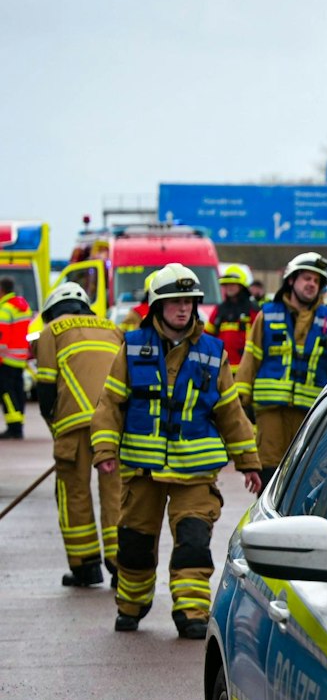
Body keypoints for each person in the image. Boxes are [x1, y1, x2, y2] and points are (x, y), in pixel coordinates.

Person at [91, 263, 262, 637]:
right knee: (134, 544)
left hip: (195, 474)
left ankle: (192, 613)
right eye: (174, 302)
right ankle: (131, 606)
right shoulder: (132, 348)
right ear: (157, 307)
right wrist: (104, 449)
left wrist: (249, 462)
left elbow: (230, 412)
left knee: (194, 542)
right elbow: (110, 405)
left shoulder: (213, 353)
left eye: (189, 301)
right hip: (143, 471)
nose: (183, 309)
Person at [32, 279, 122, 587]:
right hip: (113, 424)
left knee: (74, 494)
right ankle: (119, 564)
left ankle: (86, 566)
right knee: (116, 494)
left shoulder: (51, 331)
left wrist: (56, 428)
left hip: (73, 425)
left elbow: (45, 390)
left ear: (53, 309)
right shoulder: (112, 328)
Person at [240, 253, 327, 474]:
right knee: (269, 474)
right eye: (306, 278)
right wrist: (241, 406)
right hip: (271, 415)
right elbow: (250, 359)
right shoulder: (267, 315)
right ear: (290, 280)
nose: (311, 285)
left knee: (304, 477)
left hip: (311, 416)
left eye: (316, 281)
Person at [208, 264, 257, 365]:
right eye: (227, 285)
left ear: (241, 286)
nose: (229, 288)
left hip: (244, 366)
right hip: (221, 365)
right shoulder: (219, 309)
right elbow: (207, 335)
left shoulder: (252, 310)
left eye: (233, 284)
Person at [0, 275, 29, 438]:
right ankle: (18, 425)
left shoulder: (5, 310)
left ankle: (14, 428)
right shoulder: (22, 307)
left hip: (7, 359)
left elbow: (1, 339)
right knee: (18, 392)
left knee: (7, 394)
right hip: (20, 358)